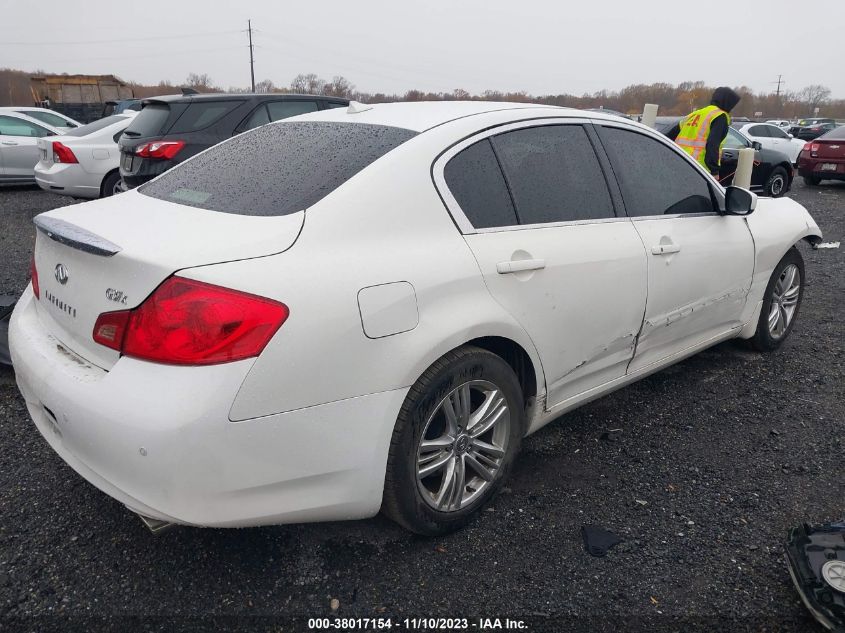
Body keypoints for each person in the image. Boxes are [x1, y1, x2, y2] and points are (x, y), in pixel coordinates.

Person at [668, 87, 741, 178]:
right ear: (727, 102)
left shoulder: (696, 113)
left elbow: (669, 136)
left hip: (678, 161)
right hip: (698, 168)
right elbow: (712, 144)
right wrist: (714, 171)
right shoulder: (720, 116)